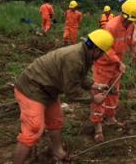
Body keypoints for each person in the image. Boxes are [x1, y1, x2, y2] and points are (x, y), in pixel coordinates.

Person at [13, 29, 114, 164]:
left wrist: (94, 85)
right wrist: (94, 99)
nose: (101, 57)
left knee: (55, 121)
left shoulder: (84, 54)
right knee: (34, 129)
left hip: (49, 89)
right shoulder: (75, 58)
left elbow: (79, 76)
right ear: (97, 50)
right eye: (102, 53)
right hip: (32, 88)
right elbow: (72, 92)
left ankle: (58, 152)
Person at [90, 0, 136, 142]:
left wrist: (133, 52)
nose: (129, 22)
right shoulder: (111, 26)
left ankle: (110, 117)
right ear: (122, 13)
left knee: (113, 92)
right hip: (104, 65)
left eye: (131, 20)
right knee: (100, 94)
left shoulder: (131, 25)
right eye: (127, 19)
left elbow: (129, 41)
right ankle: (97, 127)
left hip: (117, 66)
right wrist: (118, 62)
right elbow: (106, 47)